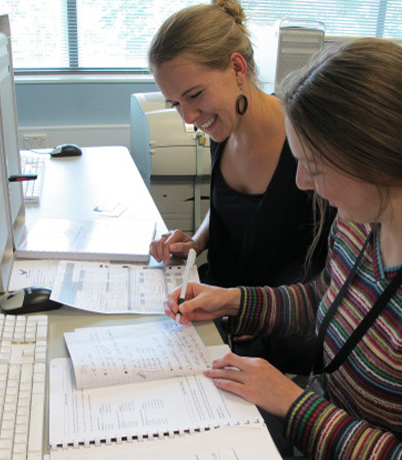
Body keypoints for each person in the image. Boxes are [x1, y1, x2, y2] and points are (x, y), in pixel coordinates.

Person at [166, 38, 402, 459]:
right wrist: (234, 302)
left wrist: (294, 405)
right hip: (318, 424)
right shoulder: (363, 216)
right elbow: (326, 297)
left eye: (313, 168)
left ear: (380, 158)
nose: (302, 184)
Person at [148, 0, 332, 374]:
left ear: (236, 68)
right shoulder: (222, 130)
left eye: (195, 95)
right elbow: (229, 208)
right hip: (220, 318)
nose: (189, 118)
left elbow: (331, 275)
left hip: (280, 343)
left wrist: (247, 313)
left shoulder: (309, 148)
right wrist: (196, 242)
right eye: (175, 104)